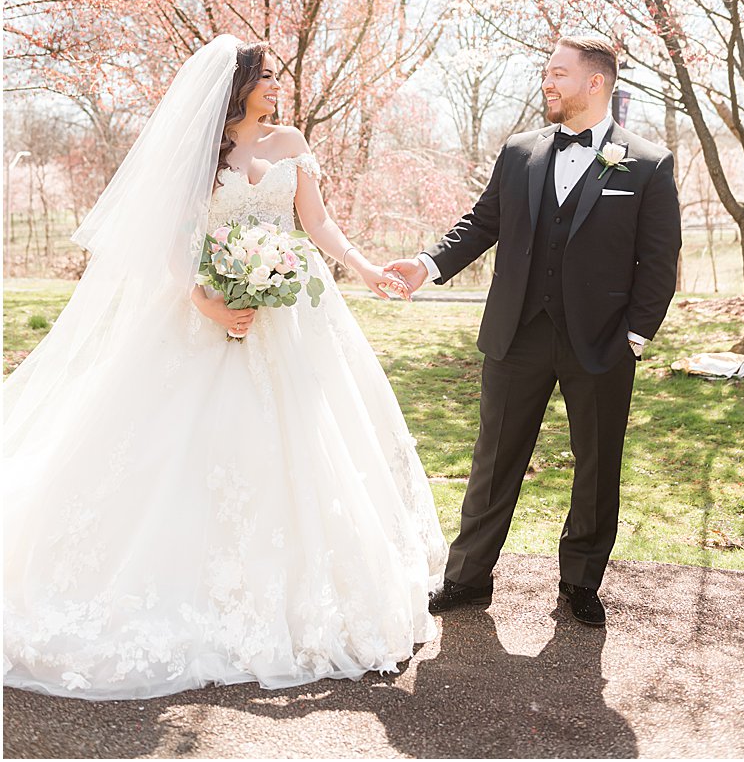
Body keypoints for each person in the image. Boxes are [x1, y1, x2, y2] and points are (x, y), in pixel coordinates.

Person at [4, 36, 446, 700]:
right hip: (211, 313)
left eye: (277, 78)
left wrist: (363, 268)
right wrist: (206, 301)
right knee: (185, 450)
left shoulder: (292, 140)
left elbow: (317, 223)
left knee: (305, 448)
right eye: (267, 78)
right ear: (237, 86)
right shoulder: (202, 153)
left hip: (294, 316)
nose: (277, 88)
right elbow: (177, 242)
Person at [384, 34, 682, 628]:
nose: (547, 82)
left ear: (594, 82)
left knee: (598, 466)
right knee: (493, 460)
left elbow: (660, 257)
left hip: (600, 342)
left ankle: (579, 584)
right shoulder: (519, 152)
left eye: (558, 74)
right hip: (517, 333)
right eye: (546, 73)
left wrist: (635, 336)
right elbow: (482, 222)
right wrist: (428, 263)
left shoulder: (647, 163)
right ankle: (467, 579)